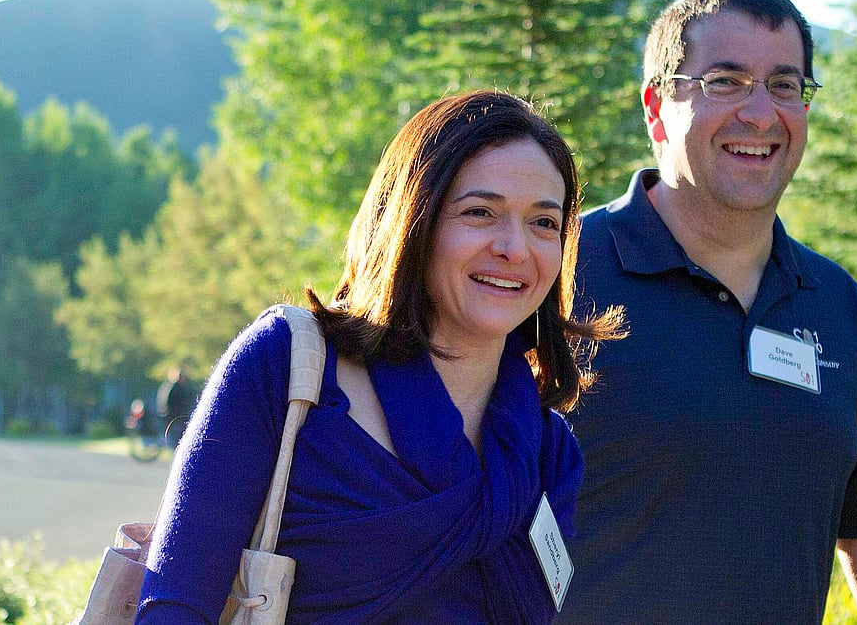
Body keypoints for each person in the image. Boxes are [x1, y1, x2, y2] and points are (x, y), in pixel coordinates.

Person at [136, 90, 622, 623]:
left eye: (543, 223)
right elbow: (174, 608)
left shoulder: (548, 453)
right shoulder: (286, 369)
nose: (515, 247)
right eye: (480, 212)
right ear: (414, 221)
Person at [561, 0, 857, 623]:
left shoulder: (840, 309)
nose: (760, 112)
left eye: (785, 85)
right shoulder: (558, 272)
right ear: (656, 106)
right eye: (726, 81)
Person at [154, 366, 197, 449]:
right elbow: (167, 404)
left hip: (183, 418)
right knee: (176, 440)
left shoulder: (187, 387)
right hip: (175, 418)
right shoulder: (173, 389)